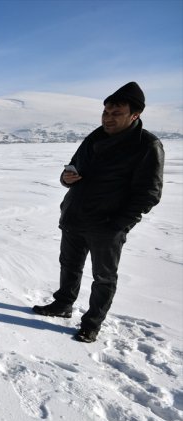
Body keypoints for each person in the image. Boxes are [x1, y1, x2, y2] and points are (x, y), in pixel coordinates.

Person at [32, 82, 164, 342]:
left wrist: (118, 224)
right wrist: (66, 178)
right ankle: (62, 305)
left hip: (107, 224)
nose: (108, 118)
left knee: (103, 277)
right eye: (105, 112)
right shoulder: (95, 136)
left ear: (134, 115)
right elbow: (72, 167)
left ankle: (92, 323)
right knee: (69, 266)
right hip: (75, 215)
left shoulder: (147, 145)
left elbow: (150, 193)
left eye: (116, 113)